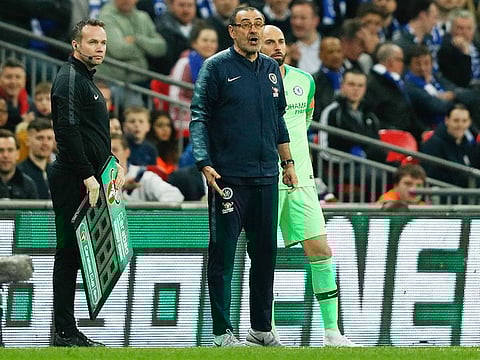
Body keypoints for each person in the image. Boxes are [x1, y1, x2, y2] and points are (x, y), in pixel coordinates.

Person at [189, 5, 297, 347]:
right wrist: (204, 161)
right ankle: (222, 332)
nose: (254, 30)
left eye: (259, 24)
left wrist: (289, 162)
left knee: (265, 254)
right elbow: (198, 116)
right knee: (222, 255)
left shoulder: (270, 69)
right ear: (232, 31)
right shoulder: (216, 67)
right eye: (246, 25)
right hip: (228, 178)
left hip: (266, 175)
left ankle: (261, 330)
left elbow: (278, 120)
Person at [261, 25, 359, 347]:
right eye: (269, 42)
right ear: (255, 45)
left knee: (321, 251)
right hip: (264, 181)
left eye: (281, 41)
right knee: (264, 258)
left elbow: (301, 126)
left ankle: (332, 332)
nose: (277, 47)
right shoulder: (249, 82)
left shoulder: (305, 81)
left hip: (301, 181)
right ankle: (267, 331)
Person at [49, 19, 125, 347]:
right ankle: (65, 331)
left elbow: (93, 136)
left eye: (103, 43)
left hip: (92, 178)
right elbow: (66, 130)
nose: (99, 48)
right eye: (92, 42)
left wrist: (112, 165)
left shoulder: (85, 80)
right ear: (76, 45)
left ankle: (68, 329)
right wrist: (86, 174)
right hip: (74, 178)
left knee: (80, 254)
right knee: (69, 251)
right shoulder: (69, 79)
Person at [97, 0, 167, 107]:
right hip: (115, 81)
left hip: (141, 79)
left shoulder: (143, 17)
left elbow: (161, 47)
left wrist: (137, 40)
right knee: (137, 110)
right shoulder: (105, 18)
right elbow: (119, 50)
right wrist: (147, 48)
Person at [169, 22, 219, 139]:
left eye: (213, 41)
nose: (209, 45)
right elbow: (174, 96)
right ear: (194, 43)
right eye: (205, 40)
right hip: (183, 115)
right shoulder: (184, 63)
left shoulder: (218, 66)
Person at [111, 134, 184, 202]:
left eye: (115, 150)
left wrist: (154, 214)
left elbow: (174, 195)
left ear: (127, 152)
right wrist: (122, 187)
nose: (111, 155)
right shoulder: (100, 181)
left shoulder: (143, 176)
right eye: (108, 152)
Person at [421, 103, 476, 187]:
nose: (460, 125)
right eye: (456, 120)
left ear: (469, 122)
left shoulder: (468, 145)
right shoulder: (433, 144)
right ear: (447, 120)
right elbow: (432, 175)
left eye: (464, 121)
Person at [18, 119, 55, 199]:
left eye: (49, 138)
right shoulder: (18, 173)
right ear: (28, 141)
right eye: (40, 138)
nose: (45, 143)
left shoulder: (57, 172)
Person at [0, 129, 38, 199]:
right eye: (1, 150)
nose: (5, 155)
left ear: (17, 154)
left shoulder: (28, 185)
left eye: (10, 150)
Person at [0, 58, 31, 132]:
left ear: (24, 80)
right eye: (8, 77)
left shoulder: (31, 104)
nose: (13, 82)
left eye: (18, 77)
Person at [146, 110, 179, 177]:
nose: (165, 129)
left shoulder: (172, 150)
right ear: (151, 128)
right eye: (160, 126)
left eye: (168, 125)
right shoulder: (147, 150)